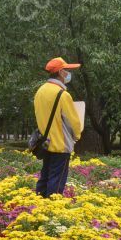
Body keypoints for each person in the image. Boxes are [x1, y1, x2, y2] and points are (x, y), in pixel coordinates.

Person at [34, 57, 83, 198]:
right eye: (66, 70)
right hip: (61, 145)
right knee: (57, 181)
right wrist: (77, 136)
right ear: (61, 72)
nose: (68, 73)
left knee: (45, 177)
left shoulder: (40, 91)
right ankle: (52, 209)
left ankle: (38, 207)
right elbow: (73, 122)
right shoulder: (63, 94)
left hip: (45, 143)